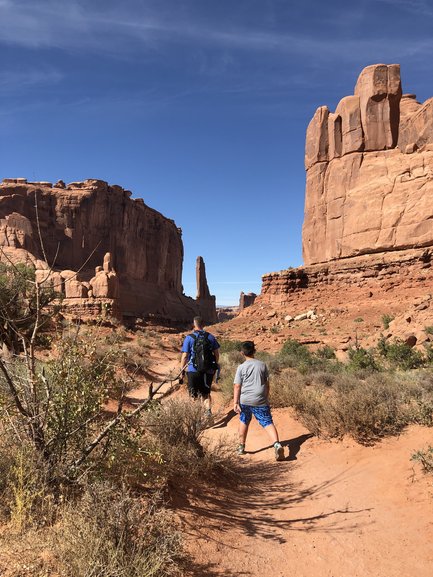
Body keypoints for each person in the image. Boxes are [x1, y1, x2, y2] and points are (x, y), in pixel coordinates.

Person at [233, 340, 284, 461]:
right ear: (254, 351)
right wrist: (265, 397)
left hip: (245, 400)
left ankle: (241, 447)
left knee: (244, 420)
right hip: (260, 399)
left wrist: (235, 402)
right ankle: (277, 444)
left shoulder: (241, 367)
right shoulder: (262, 365)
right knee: (267, 422)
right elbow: (267, 384)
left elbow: (237, 386)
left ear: (242, 353)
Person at [180, 316, 220, 416]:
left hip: (193, 370)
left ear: (194, 324)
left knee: (194, 396)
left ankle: (197, 418)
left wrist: (182, 371)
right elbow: (217, 354)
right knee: (206, 394)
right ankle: (208, 413)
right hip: (208, 370)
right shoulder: (210, 337)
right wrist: (214, 365)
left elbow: (185, 356)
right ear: (203, 324)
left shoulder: (189, 338)